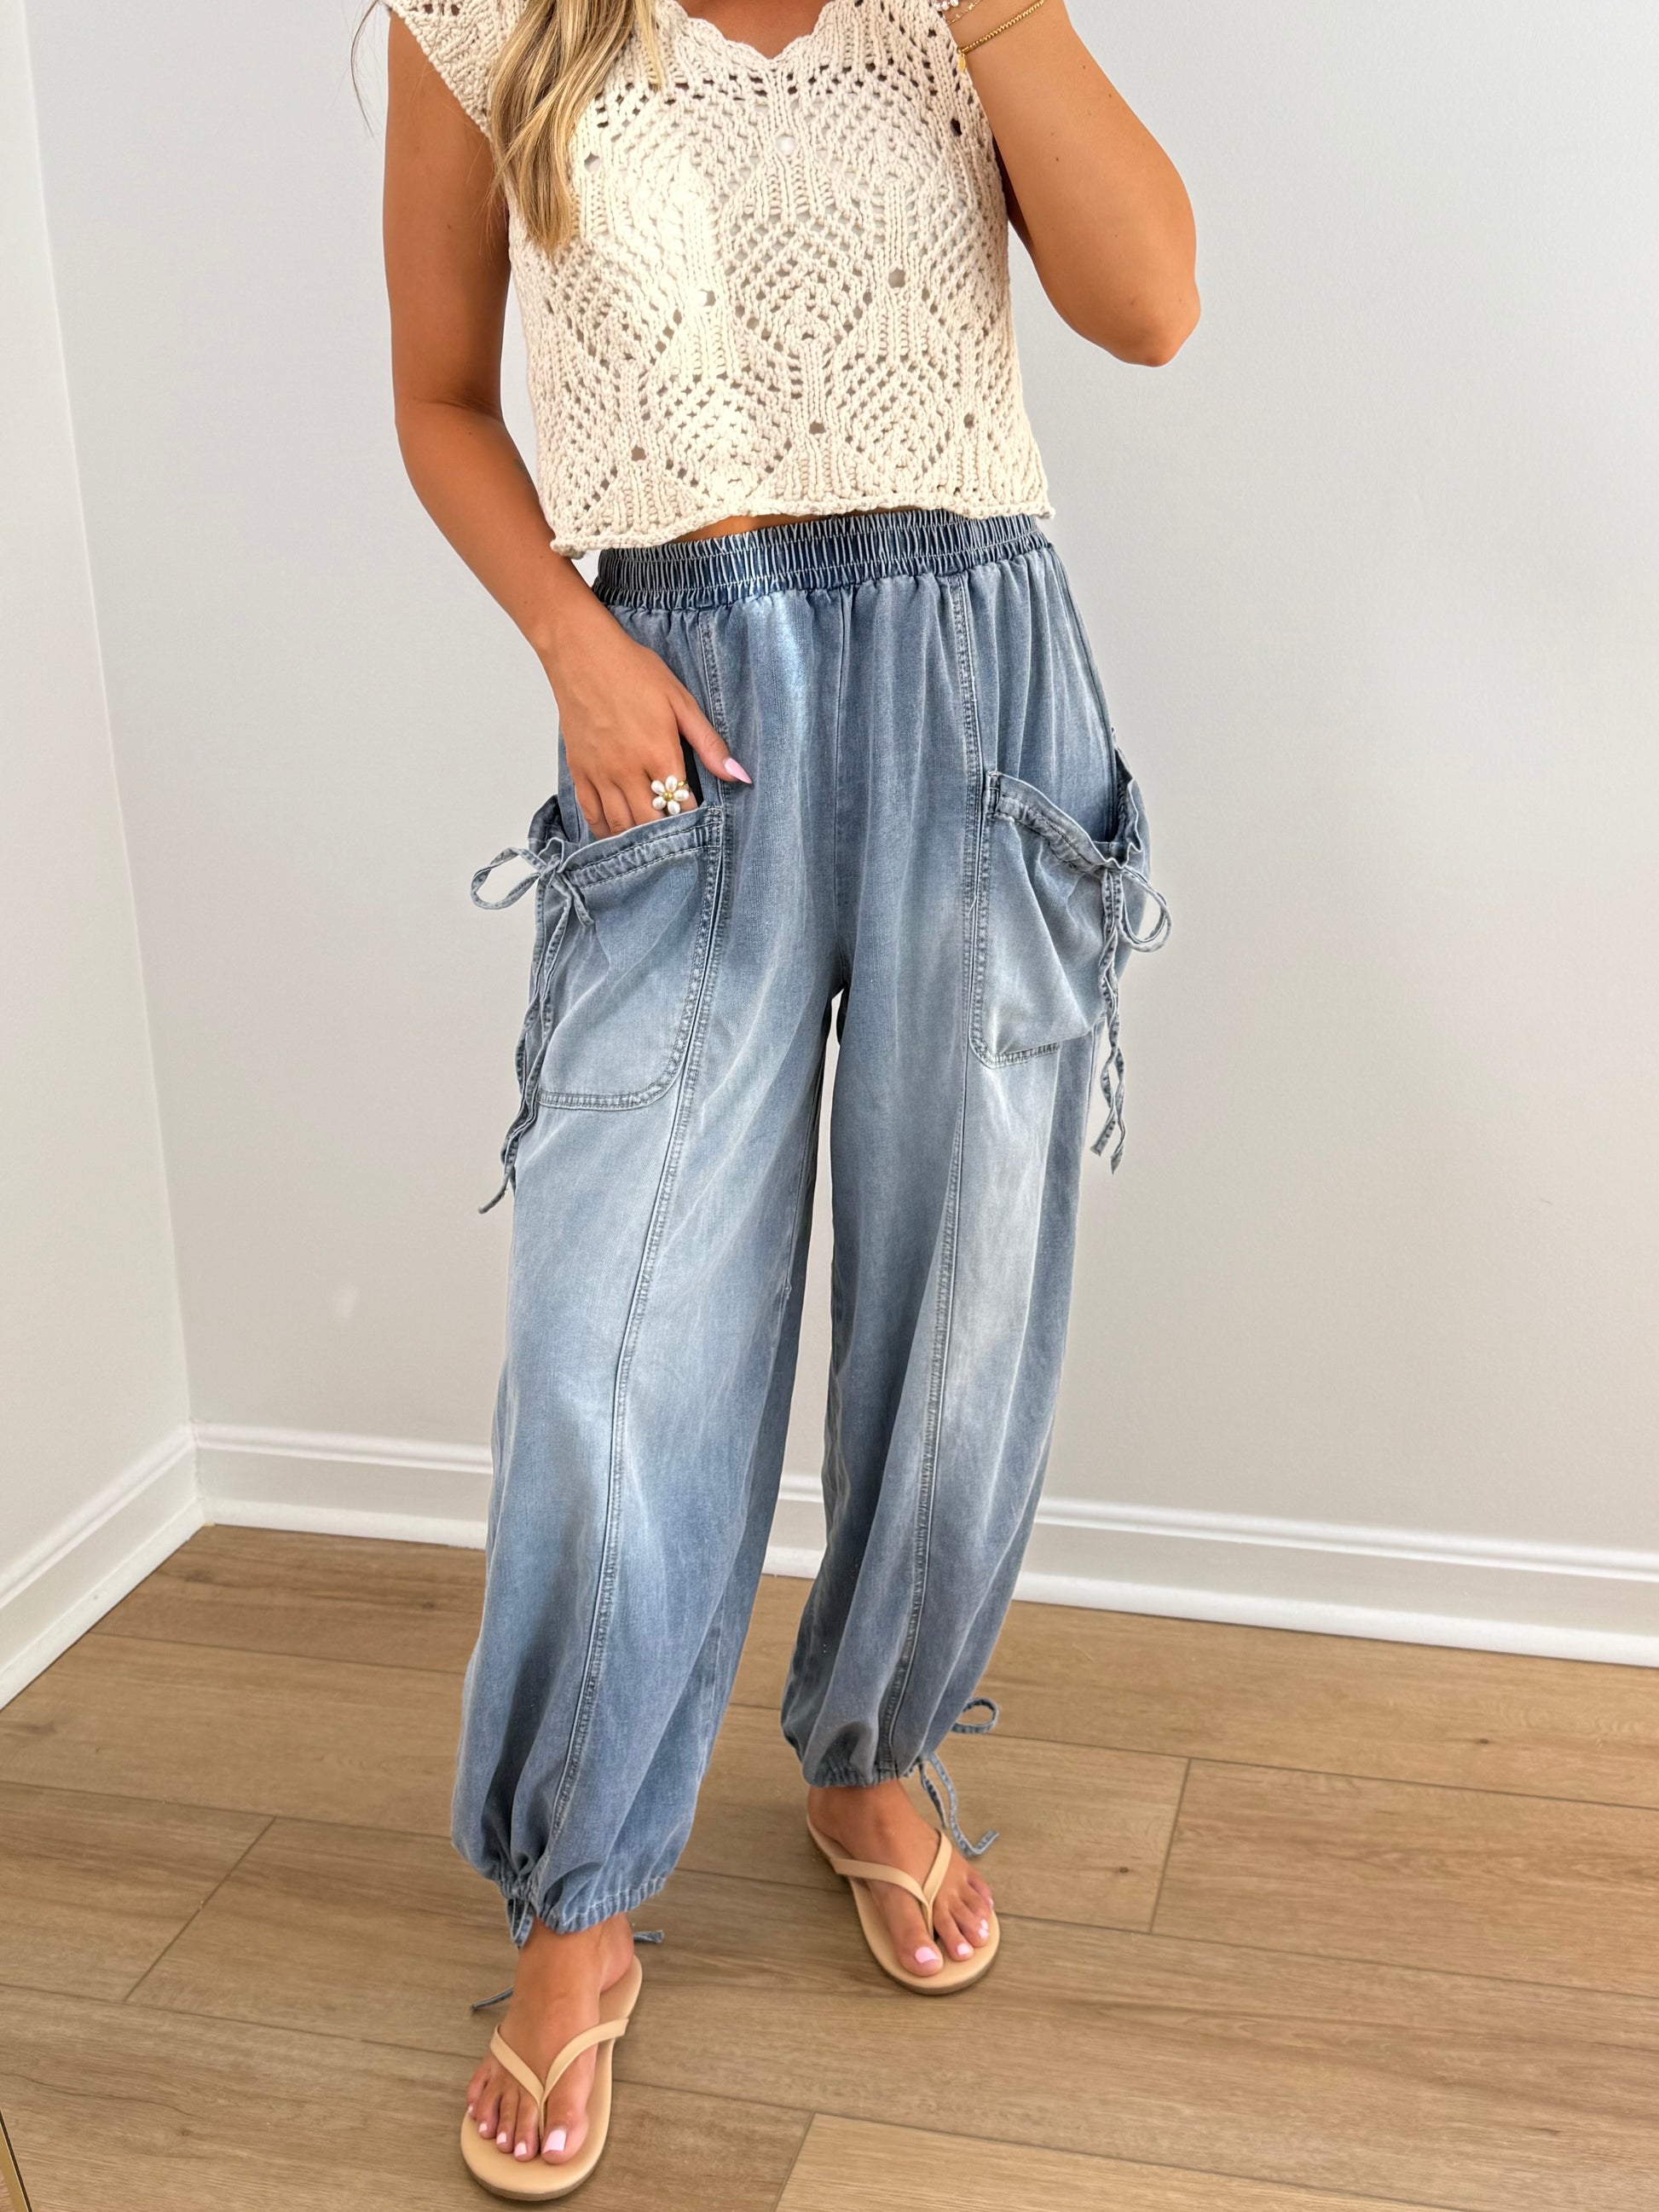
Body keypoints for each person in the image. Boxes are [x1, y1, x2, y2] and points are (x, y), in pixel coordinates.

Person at [378, 0, 1195, 2190]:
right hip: (675, 692)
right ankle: (576, 1893)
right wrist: (572, 640)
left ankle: (869, 1750)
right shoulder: (483, 19)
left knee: (964, 1302)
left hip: (981, 690)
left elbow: (1150, 306)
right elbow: (439, 395)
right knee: (611, 1337)